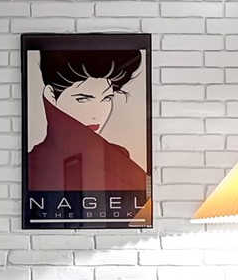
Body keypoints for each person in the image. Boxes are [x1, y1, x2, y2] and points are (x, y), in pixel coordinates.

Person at [25, 47, 148, 222]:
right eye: (82, 99)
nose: (96, 113)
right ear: (51, 96)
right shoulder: (33, 165)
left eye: (106, 98)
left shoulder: (119, 156)